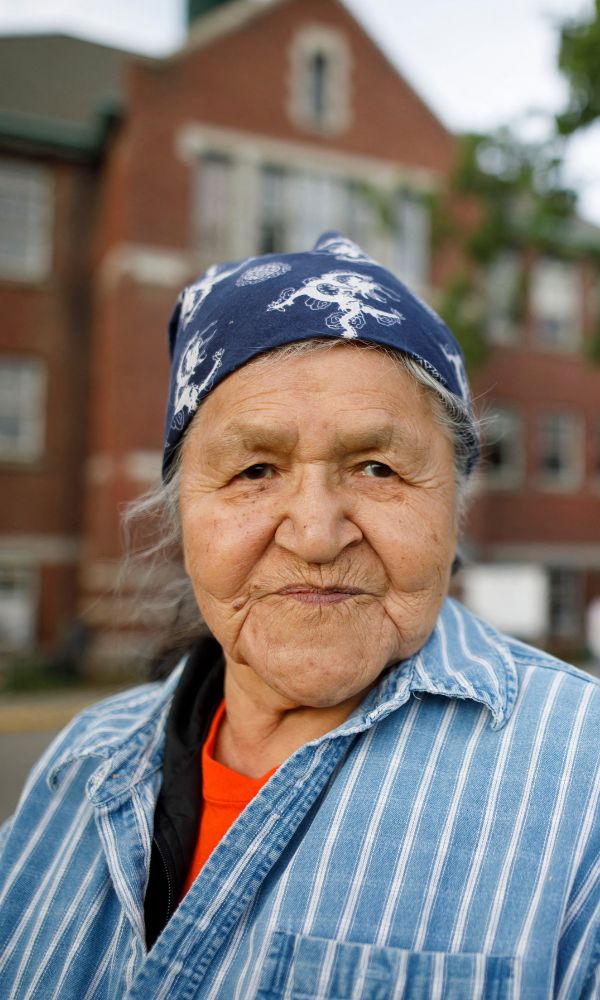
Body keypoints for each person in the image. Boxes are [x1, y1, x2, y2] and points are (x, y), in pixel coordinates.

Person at [0, 233, 598, 1000]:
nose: (317, 534)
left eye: (377, 468)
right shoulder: (82, 764)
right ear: (183, 515)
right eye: (255, 471)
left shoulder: (586, 784)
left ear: (455, 506)